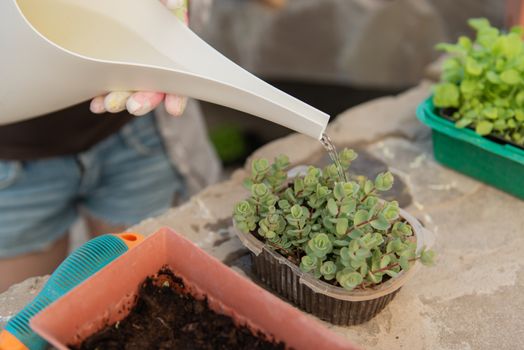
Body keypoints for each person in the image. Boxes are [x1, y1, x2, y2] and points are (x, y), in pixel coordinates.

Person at [0, 0, 222, 292]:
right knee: (20, 314)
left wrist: (175, 11)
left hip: (135, 131)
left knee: (153, 292)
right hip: (11, 168)